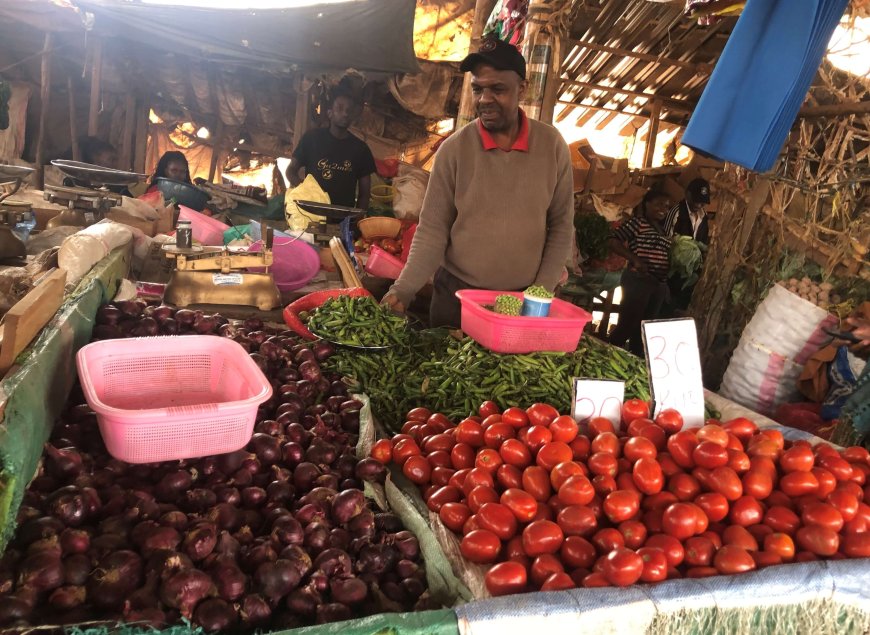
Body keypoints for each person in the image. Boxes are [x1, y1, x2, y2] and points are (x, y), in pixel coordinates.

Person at [381, 38, 574, 328]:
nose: (484, 99)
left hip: (521, 301)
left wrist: (541, 294)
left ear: (522, 89)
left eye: (497, 89)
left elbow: (561, 225)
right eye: (477, 89)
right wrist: (404, 288)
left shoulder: (552, 146)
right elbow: (432, 229)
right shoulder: (454, 149)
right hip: (456, 299)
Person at [607, 190, 673, 356]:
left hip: (657, 285)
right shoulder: (637, 223)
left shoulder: (663, 230)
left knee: (644, 330)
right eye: (658, 204)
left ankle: (634, 363)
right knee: (628, 324)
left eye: (666, 206)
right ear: (647, 204)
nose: (663, 209)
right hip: (638, 281)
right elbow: (613, 240)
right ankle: (607, 354)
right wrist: (635, 259)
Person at [286, 92, 375, 209]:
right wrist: (303, 187)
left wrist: (355, 221)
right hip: (311, 216)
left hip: (342, 220)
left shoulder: (361, 149)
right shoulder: (311, 139)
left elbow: (364, 194)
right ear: (329, 113)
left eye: (349, 110)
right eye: (340, 108)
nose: (345, 113)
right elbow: (291, 170)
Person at [663, 177, 711, 315]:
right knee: (667, 307)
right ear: (687, 194)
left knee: (681, 307)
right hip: (673, 270)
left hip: (690, 271)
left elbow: (703, 241)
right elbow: (665, 238)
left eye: (702, 202)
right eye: (696, 200)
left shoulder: (704, 216)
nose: (699, 205)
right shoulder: (676, 212)